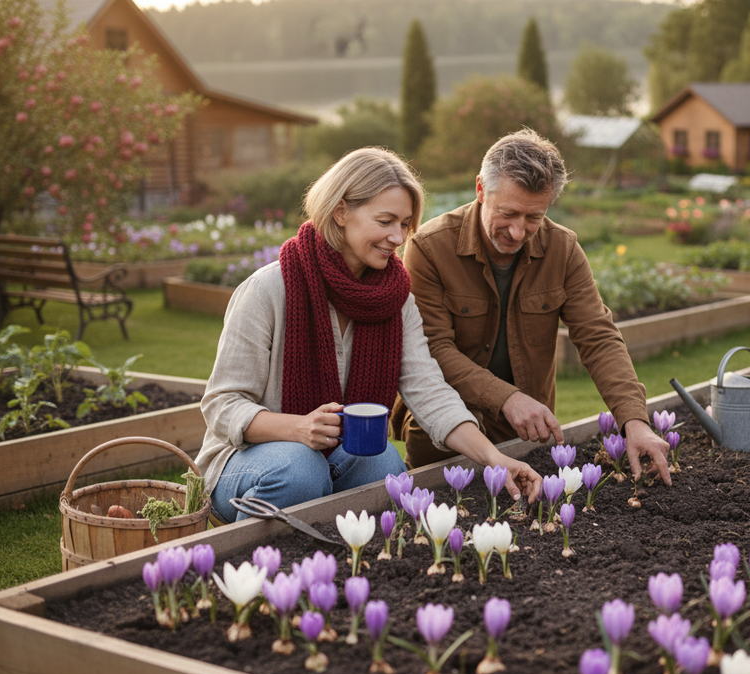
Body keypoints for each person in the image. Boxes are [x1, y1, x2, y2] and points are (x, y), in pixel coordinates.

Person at [198, 147, 542, 524]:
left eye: (406, 224)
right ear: (341, 211)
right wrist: (296, 428)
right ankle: (258, 562)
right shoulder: (269, 289)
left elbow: (430, 392)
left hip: (332, 456)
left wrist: (495, 459)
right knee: (300, 468)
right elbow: (223, 404)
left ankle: (343, 560)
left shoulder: (396, 301)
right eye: (385, 221)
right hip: (244, 460)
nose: (398, 237)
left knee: (383, 465)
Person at [393, 129, 671, 484]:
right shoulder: (430, 248)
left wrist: (635, 422)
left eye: (533, 218)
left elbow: (599, 338)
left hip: (529, 437)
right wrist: (508, 398)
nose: (518, 232)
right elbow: (432, 349)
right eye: (508, 213)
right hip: (447, 439)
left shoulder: (563, 249)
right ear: (480, 189)